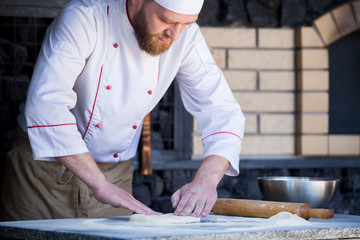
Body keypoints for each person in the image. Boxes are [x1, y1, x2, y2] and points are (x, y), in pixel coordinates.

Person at [0, 0, 245, 221]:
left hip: (114, 178)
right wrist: (99, 184)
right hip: (41, 178)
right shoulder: (85, 17)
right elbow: (46, 105)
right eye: (167, 20)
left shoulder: (186, 37)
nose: (174, 34)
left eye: (186, 23)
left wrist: (206, 181)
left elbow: (223, 111)